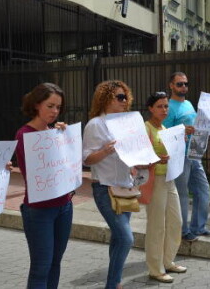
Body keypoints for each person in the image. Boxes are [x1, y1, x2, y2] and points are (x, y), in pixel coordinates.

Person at [14, 83, 72, 289]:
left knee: (55, 263)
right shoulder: (24, 134)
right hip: (39, 210)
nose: (55, 111)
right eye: (50, 106)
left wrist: (65, 138)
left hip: (64, 206)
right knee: (41, 267)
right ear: (37, 104)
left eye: (58, 107)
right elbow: (31, 173)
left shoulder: (55, 132)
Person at [82, 80, 134, 289]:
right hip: (105, 188)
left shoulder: (124, 123)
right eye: (119, 97)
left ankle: (114, 281)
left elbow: (128, 154)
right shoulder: (96, 124)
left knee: (118, 238)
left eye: (126, 97)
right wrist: (106, 150)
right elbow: (86, 159)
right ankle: (113, 284)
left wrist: (134, 163)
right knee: (126, 238)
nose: (124, 101)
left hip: (125, 187)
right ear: (106, 99)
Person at [163, 72, 210, 242]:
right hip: (179, 156)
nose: (183, 87)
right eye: (179, 84)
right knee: (182, 193)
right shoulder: (168, 108)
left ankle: (198, 227)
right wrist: (182, 129)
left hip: (194, 152)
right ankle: (183, 231)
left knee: (203, 189)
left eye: (185, 84)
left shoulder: (189, 104)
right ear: (171, 85)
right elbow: (163, 133)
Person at [143, 92, 185, 284]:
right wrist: (157, 159)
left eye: (166, 106)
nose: (164, 110)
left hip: (170, 178)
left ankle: (168, 261)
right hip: (155, 180)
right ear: (150, 108)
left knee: (176, 221)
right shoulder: (146, 128)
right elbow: (139, 157)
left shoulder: (165, 127)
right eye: (160, 106)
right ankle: (155, 269)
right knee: (157, 225)